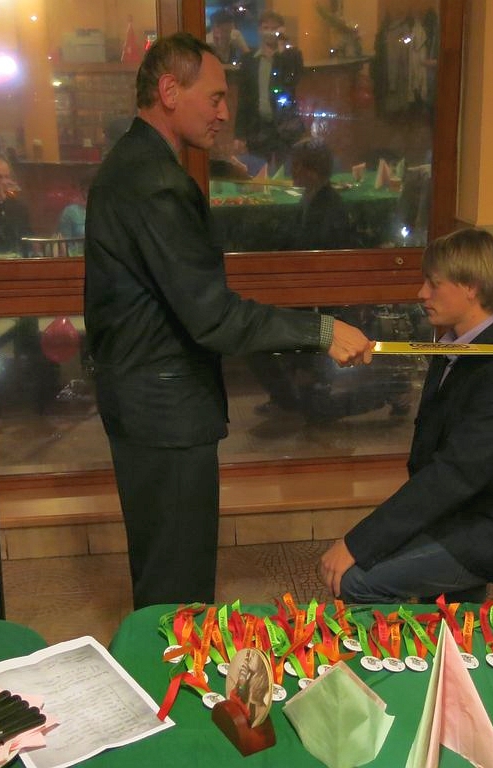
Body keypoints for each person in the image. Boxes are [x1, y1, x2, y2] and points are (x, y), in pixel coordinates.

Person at [83, 32, 373, 609]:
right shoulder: (155, 182)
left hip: (143, 402)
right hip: (164, 414)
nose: (223, 112)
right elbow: (212, 316)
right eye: (214, 97)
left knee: (164, 571)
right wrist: (321, 331)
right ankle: (171, 669)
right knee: (178, 592)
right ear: (169, 90)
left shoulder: (134, 164)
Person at [319, 227, 493, 603]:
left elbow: (456, 473)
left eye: (434, 283)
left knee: (355, 580)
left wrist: (359, 543)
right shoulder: (451, 349)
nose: (421, 293)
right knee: (451, 613)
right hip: (451, 512)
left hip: (492, 526)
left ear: (471, 286)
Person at [233, 11, 305, 167]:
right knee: (258, 172)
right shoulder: (249, 60)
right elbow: (243, 98)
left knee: (285, 174)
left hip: (284, 128)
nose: (270, 32)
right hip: (257, 128)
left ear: (282, 30)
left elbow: (292, 80)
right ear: (259, 30)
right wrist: (239, 134)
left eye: (274, 28)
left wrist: (282, 48)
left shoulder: (292, 56)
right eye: (266, 28)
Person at [288, 139, 356, 251]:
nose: (291, 171)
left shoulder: (328, 209)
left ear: (313, 171)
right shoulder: (311, 194)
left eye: (296, 165)